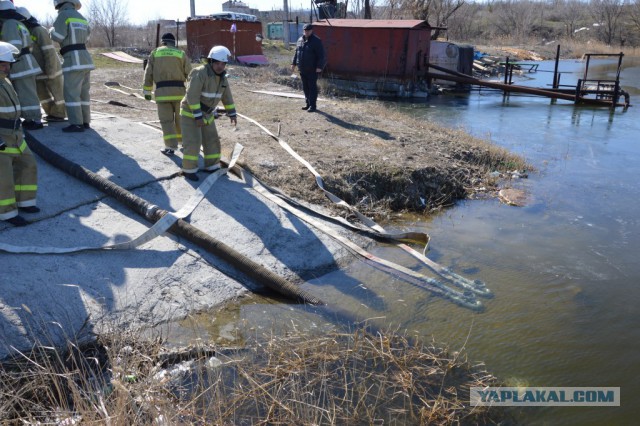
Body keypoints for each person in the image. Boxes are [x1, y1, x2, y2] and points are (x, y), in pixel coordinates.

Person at [179, 45, 237, 182]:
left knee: (212, 140)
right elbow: (192, 96)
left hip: (208, 114)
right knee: (193, 142)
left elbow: (227, 96)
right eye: (217, 63)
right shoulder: (199, 73)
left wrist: (232, 113)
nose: (220, 66)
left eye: (223, 64)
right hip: (190, 113)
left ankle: (212, 166)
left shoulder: (223, 78)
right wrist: (197, 116)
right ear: (211, 61)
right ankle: (189, 170)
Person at [0, 41, 39, 227]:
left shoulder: (5, 81)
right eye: (3, 64)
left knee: (28, 164)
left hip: (15, 134)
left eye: (8, 64)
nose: (7, 67)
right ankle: (7, 213)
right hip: (2, 137)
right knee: (3, 177)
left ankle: (26, 202)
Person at [143, 32, 191, 156]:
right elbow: (190, 74)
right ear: (173, 42)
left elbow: (148, 73)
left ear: (163, 41)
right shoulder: (181, 53)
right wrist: (191, 92)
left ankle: (170, 147)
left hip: (162, 93)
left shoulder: (155, 53)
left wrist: (147, 90)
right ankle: (184, 144)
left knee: (166, 121)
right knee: (182, 120)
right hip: (180, 93)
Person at [49, 0, 94, 133]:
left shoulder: (63, 15)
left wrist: (51, 30)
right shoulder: (82, 17)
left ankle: (76, 123)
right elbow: (86, 39)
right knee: (84, 93)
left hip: (73, 60)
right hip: (86, 59)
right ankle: (85, 122)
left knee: (71, 93)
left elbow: (58, 36)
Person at [16, 6, 66, 122]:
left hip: (51, 68)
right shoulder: (25, 31)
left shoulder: (39, 30)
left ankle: (59, 113)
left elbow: (49, 51)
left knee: (57, 93)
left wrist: (51, 70)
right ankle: (51, 113)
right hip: (38, 69)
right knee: (42, 95)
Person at [0, 1, 44, 130]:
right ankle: (33, 119)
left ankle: (34, 121)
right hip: (27, 63)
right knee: (29, 92)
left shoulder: (9, 24)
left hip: (21, 65)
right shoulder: (19, 23)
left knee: (26, 93)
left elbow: (13, 47)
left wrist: (5, 60)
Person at [291, 23, 325, 113]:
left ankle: (313, 106)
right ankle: (308, 104)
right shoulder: (300, 40)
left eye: (308, 31)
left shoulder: (316, 41)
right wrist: (293, 63)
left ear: (311, 31)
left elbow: (321, 56)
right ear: (303, 31)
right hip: (302, 69)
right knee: (305, 87)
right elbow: (296, 53)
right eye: (305, 30)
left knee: (312, 87)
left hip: (312, 69)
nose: (306, 32)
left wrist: (319, 67)